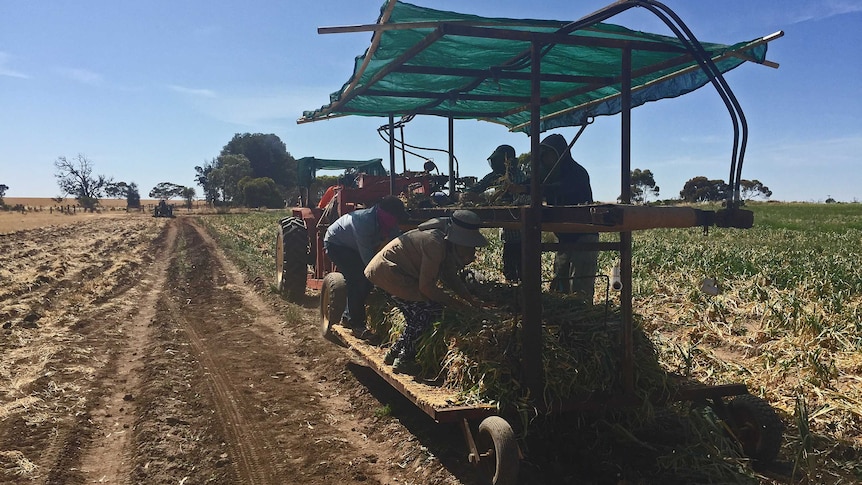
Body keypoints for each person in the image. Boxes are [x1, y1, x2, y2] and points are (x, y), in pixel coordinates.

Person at [364, 210, 488, 374]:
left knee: (416, 316)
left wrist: (469, 299)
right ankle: (404, 359)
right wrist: (455, 303)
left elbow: (450, 276)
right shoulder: (435, 243)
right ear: (459, 241)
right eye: (467, 246)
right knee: (429, 311)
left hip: (397, 273)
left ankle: (394, 352)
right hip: (389, 272)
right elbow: (426, 287)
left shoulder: (445, 242)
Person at [323, 195, 408, 334]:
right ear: (387, 215)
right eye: (396, 218)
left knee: (366, 281)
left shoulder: (389, 223)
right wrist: (383, 280)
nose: (397, 221)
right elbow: (368, 262)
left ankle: (348, 314)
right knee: (358, 279)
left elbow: (396, 246)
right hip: (337, 244)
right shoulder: (363, 222)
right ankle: (355, 323)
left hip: (355, 246)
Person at [539, 133, 599, 302]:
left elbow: (560, 188)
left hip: (583, 236)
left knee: (580, 289)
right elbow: (533, 183)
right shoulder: (549, 174)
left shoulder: (576, 173)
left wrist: (532, 189)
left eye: (548, 154)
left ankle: (581, 322)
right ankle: (564, 322)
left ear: (559, 154)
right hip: (564, 238)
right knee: (560, 286)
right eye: (542, 155)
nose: (545, 159)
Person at [461, 144, 528, 282]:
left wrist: (484, 200)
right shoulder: (494, 176)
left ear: (507, 160)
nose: (495, 164)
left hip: (522, 235)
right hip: (508, 236)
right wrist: (466, 194)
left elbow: (517, 203)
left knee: (524, 271)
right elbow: (478, 187)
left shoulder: (519, 178)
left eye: (498, 160)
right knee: (509, 270)